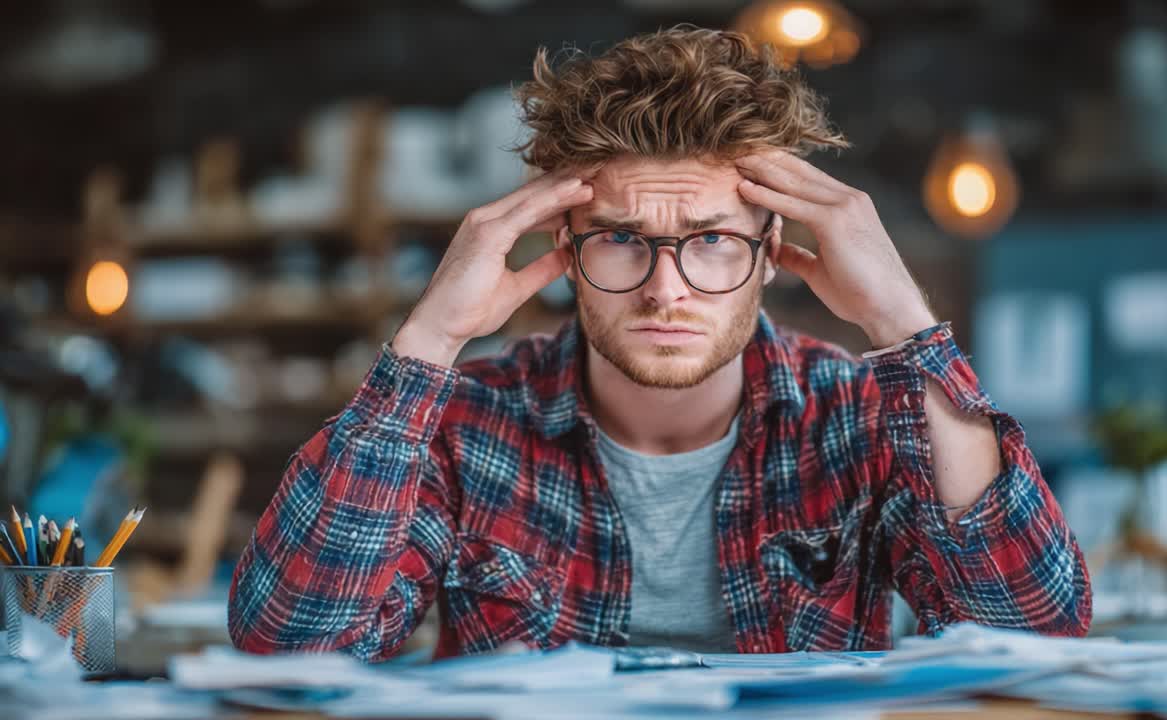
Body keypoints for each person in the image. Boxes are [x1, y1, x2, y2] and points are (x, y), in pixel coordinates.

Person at [228, 26, 1090, 661]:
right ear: (564, 245)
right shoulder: (467, 421)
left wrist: (906, 326)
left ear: (771, 250)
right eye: (622, 239)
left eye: (713, 240)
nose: (665, 288)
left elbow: (1036, 633)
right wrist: (425, 343)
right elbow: (289, 646)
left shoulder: (859, 415)